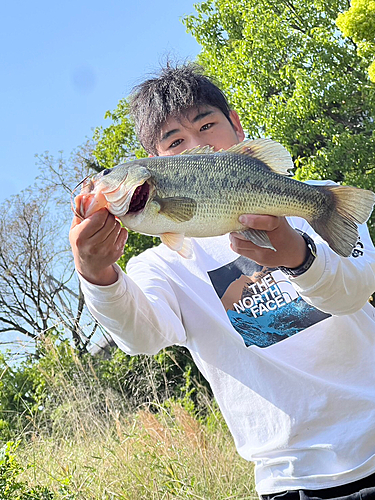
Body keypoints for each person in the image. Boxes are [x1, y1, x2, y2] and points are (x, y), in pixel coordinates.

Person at [69, 63, 375, 499]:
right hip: (290, 481)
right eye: (176, 142)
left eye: (207, 125)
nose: (198, 146)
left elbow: (355, 292)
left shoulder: (321, 199)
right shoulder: (162, 265)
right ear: (155, 164)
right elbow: (141, 337)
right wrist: (95, 272)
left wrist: (298, 256)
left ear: (236, 124)